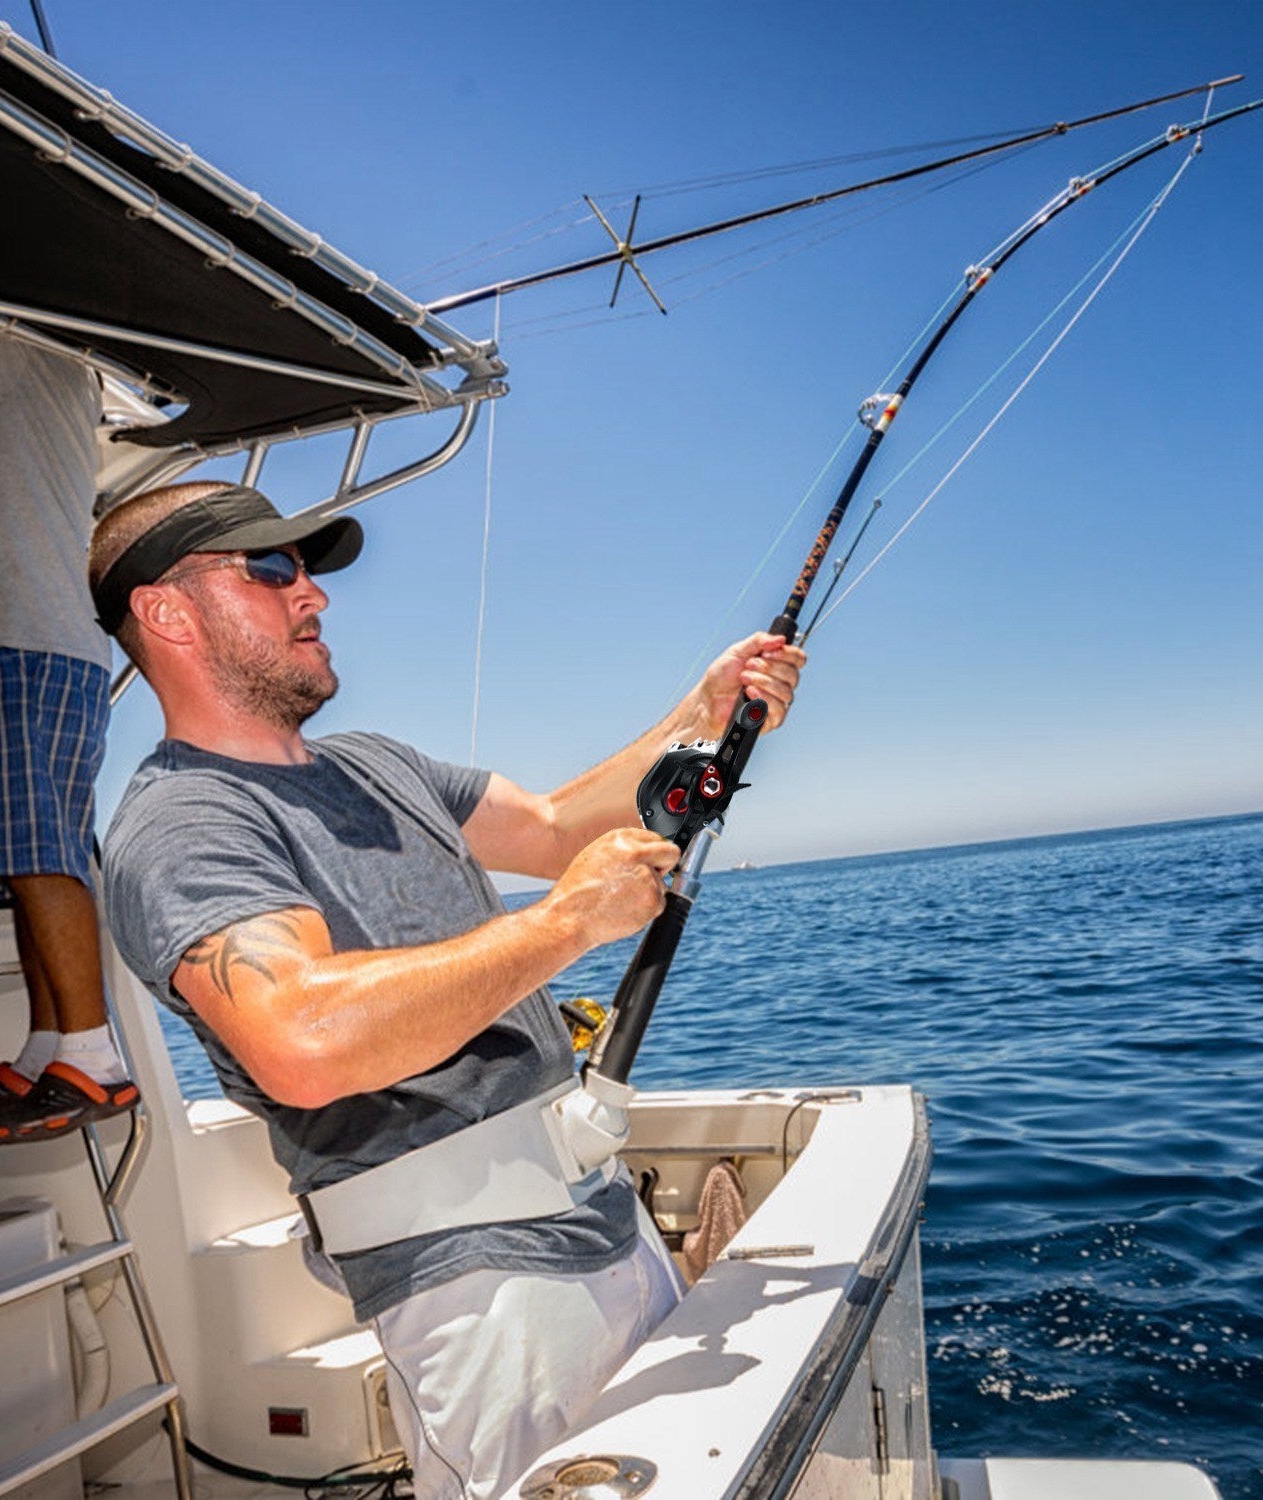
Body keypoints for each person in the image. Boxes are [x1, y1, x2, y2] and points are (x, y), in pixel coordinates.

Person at [89, 479, 805, 1499]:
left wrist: (705, 712)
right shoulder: (183, 824)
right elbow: (301, 1038)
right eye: (271, 568)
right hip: (474, 1279)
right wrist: (563, 924)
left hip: (601, 1212)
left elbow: (556, 828)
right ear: (165, 612)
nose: (312, 593)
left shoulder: (375, 765)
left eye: (308, 569)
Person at [0, 310, 137, 1144]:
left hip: (22, 636)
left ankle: (95, 1060)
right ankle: (49, 1047)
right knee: (28, 861)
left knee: (36, 852)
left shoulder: (22, 342)